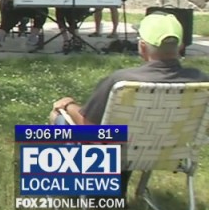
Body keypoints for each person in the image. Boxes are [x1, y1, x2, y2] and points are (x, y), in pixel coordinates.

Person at [48, 12, 209, 188]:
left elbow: (91, 129)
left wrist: (68, 106)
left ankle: (79, 184)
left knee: (60, 117)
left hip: (117, 154)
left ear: (142, 46)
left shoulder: (123, 81)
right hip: (168, 153)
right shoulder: (201, 81)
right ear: (180, 46)